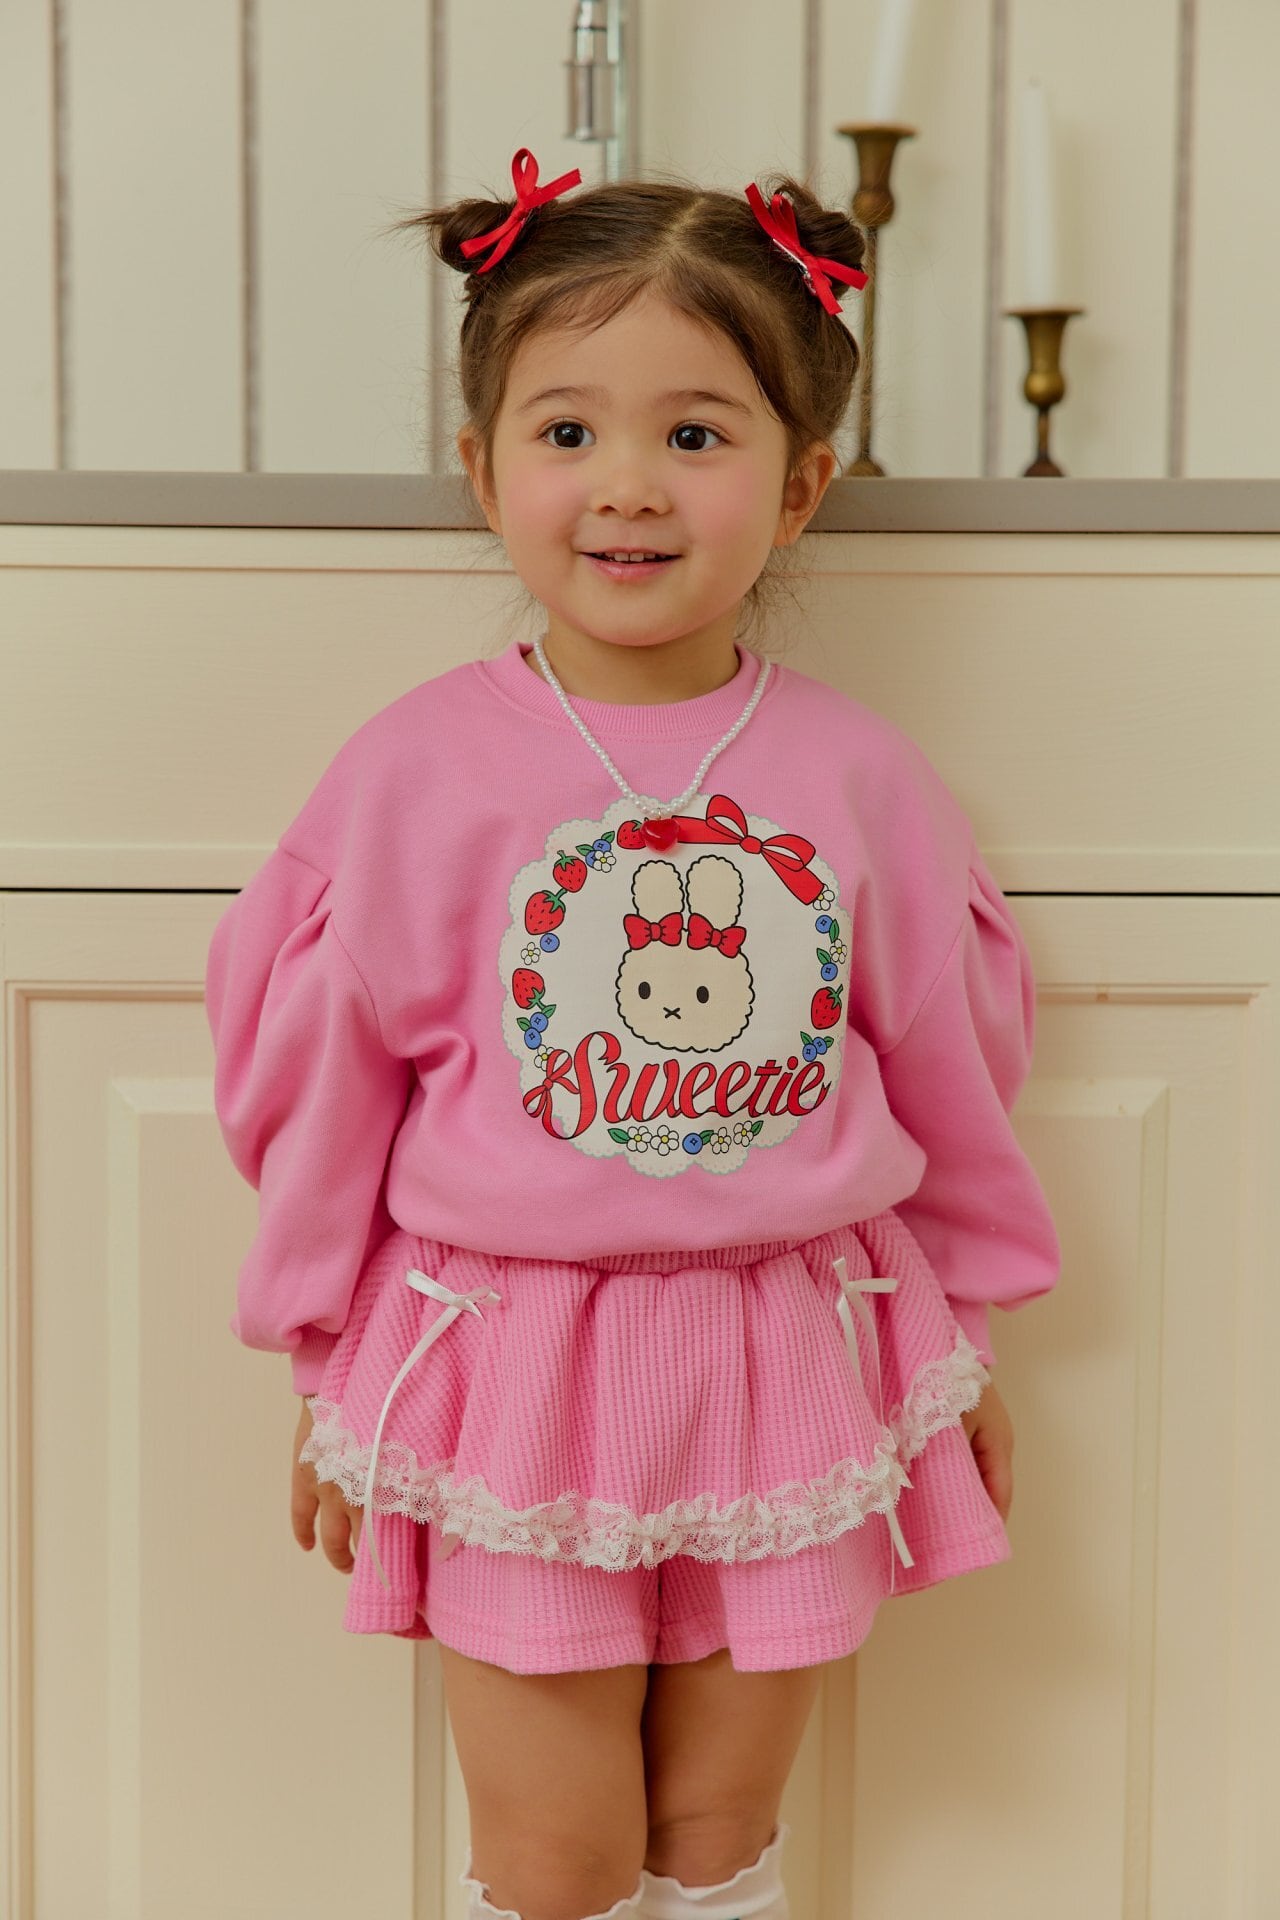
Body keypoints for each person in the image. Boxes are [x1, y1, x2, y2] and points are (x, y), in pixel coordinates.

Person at [205, 146, 1061, 1920]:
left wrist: (967, 1338)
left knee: (718, 1831)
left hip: (793, 1351)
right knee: (557, 1853)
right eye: (568, 429)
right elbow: (322, 1090)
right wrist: (325, 1362)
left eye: (695, 432)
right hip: (510, 1365)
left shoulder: (863, 780)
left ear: (801, 484)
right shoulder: (413, 775)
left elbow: (950, 1074)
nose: (629, 486)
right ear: (482, 467)